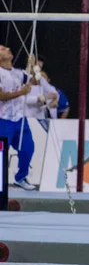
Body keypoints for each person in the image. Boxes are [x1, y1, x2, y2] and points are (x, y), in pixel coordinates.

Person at [0, 46, 36, 189]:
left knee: (28, 148)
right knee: (1, 153)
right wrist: (21, 93)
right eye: (2, 49)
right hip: (3, 119)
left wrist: (33, 66)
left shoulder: (17, 73)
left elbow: (32, 80)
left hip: (20, 119)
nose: (8, 48)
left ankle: (20, 178)